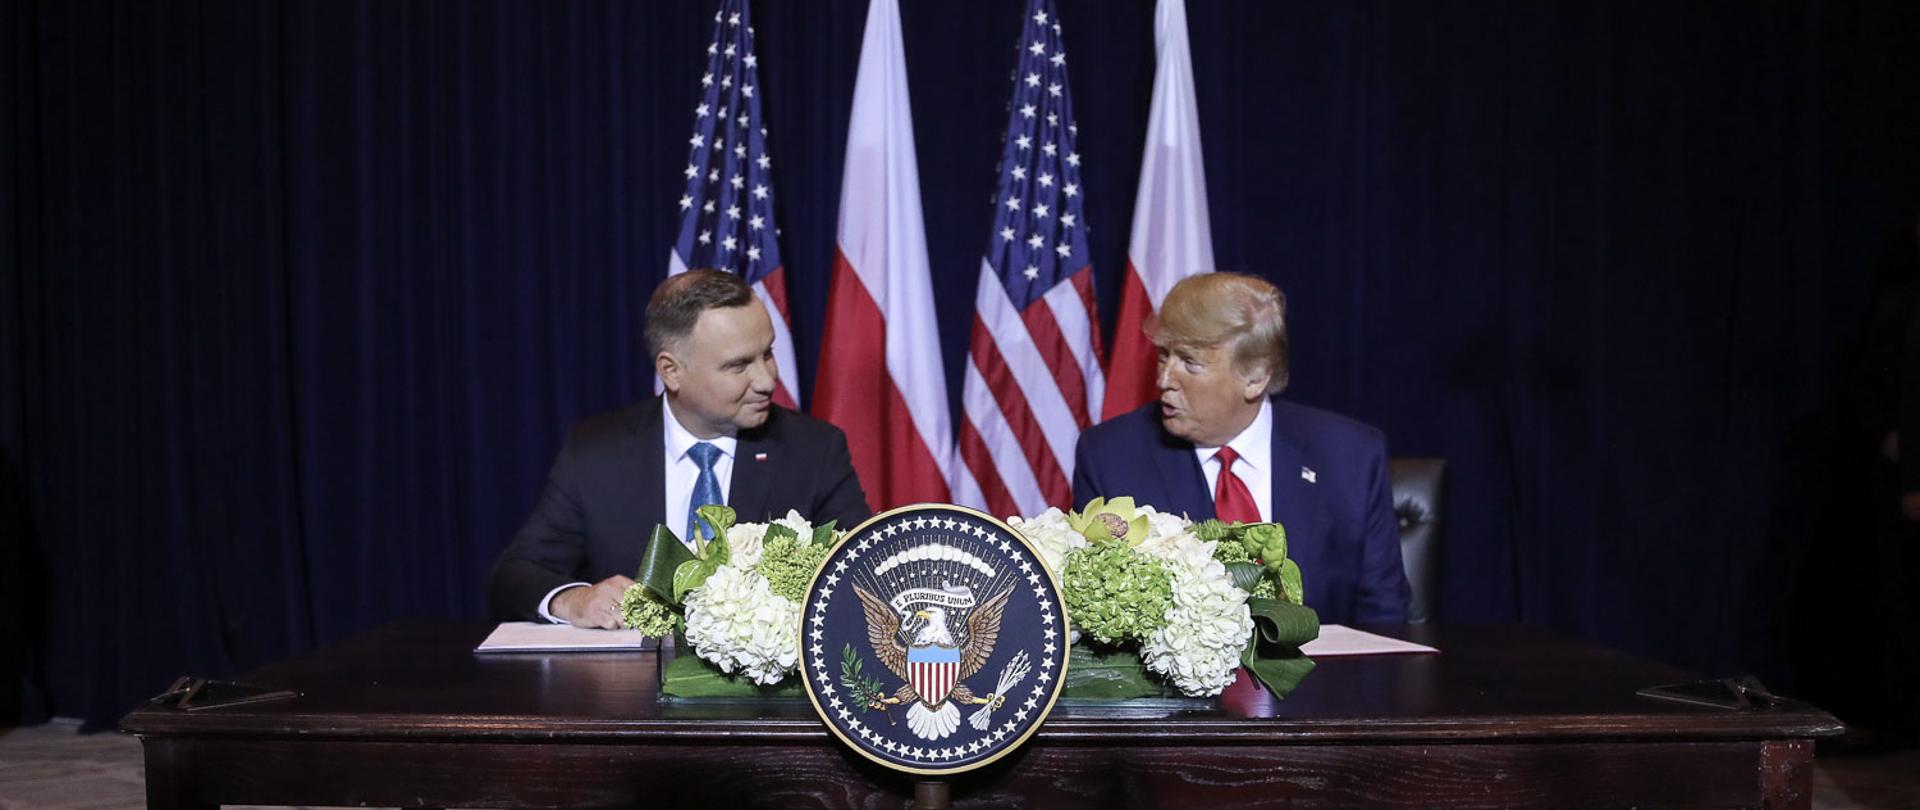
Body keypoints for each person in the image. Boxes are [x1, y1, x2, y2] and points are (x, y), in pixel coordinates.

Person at [488, 269, 871, 627]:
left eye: (767, 354)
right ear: (671, 371)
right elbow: (516, 574)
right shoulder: (597, 453)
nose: (766, 379)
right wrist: (574, 600)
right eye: (739, 365)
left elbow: (866, 577)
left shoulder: (814, 451)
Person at [1073, 272, 1410, 624]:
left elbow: (1384, 615)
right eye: (1163, 355)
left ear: (1256, 377)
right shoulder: (1110, 457)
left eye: (1189, 362)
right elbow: (1101, 612)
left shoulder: (1350, 457)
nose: (1164, 379)